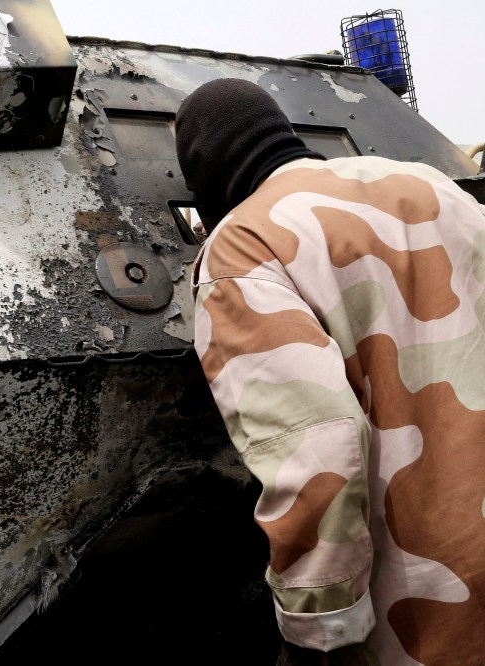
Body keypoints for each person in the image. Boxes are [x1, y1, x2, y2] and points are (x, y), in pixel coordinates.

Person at [174, 77, 485, 665]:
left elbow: (314, 453)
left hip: (433, 595)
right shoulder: (430, 185)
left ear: (205, 173)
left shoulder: (243, 246)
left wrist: (319, 632)